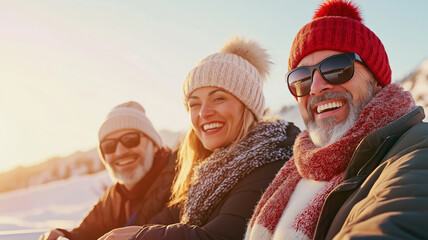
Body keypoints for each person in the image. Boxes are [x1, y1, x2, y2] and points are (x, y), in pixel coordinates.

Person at [245, 1, 428, 240]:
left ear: (376, 81)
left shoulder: (415, 148)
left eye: (337, 68)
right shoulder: (295, 169)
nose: (317, 87)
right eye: (302, 77)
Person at [99, 37, 300, 240]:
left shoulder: (270, 158)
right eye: (194, 104)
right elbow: (166, 218)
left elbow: (223, 236)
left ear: (248, 105)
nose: (204, 112)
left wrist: (141, 237)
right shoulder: (205, 169)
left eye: (218, 98)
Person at [39, 101, 176, 240]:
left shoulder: (181, 181)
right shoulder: (115, 196)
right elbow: (85, 233)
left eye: (130, 139)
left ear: (153, 145)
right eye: (109, 146)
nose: (120, 152)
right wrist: (63, 235)